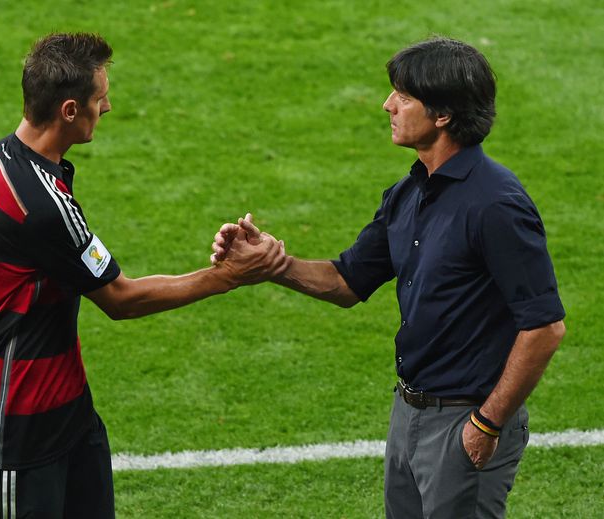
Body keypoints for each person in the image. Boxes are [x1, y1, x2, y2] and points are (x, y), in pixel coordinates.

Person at [212, 37, 566, 518]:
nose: (387, 105)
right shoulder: (408, 191)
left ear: (442, 114)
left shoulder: (496, 205)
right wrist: (271, 264)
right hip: (409, 413)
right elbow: (347, 280)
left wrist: (487, 422)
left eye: (403, 95)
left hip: (467, 417)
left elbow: (544, 327)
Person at [0, 32, 289, 519]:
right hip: (16, 434)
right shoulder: (42, 206)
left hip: (70, 419)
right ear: (69, 110)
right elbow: (120, 299)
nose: (106, 107)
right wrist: (229, 275)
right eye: (99, 98)